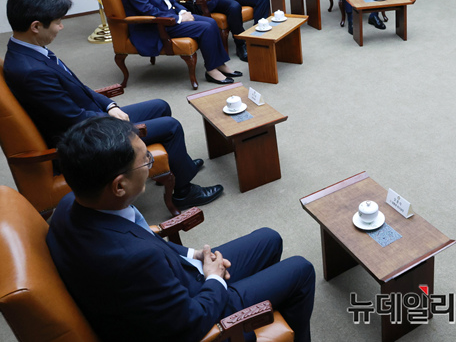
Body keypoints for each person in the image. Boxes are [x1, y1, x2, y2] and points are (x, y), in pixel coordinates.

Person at [46, 116, 315, 342]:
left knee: (269, 238)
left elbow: (143, 238)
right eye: (146, 160)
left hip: (168, 285)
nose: (151, 163)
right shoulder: (133, 259)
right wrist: (214, 278)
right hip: (199, 312)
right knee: (301, 269)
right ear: (119, 186)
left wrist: (193, 254)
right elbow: (190, 323)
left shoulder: (69, 204)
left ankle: (266, 304)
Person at [3, 0, 223, 209]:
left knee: (160, 105)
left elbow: (78, 88)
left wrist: (110, 106)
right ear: (36, 26)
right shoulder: (30, 71)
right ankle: (184, 193)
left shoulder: (29, 51)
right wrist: (113, 121)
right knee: (171, 126)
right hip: (84, 139)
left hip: (89, 118)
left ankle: (177, 166)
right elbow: (73, 120)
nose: (61, 27)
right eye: (58, 22)